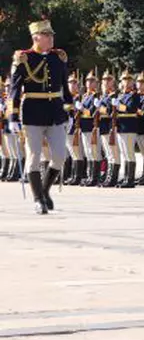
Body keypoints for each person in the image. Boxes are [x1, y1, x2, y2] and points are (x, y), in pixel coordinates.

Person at [8, 19, 73, 214]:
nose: (51, 38)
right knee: (34, 156)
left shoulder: (58, 57)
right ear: (36, 37)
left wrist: (68, 111)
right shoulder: (23, 58)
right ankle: (38, 200)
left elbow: (65, 87)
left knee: (60, 156)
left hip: (55, 112)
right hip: (32, 113)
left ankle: (44, 191)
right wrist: (13, 116)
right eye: (47, 35)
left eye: (51, 35)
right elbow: (14, 90)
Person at [114, 70, 144, 189]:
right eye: (124, 80)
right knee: (124, 153)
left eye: (129, 80)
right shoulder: (121, 95)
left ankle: (130, 179)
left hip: (130, 126)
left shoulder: (134, 95)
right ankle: (126, 177)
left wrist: (118, 106)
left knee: (129, 153)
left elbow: (131, 109)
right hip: (121, 127)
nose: (126, 83)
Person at [64, 71, 86, 186]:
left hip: (76, 128)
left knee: (77, 152)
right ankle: (71, 175)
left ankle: (78, 176)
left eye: (74, 83)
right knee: (71, 153)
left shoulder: (80, 97)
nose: (72, 85)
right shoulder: (65, 97)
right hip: (66, 127)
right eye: (70, 83)